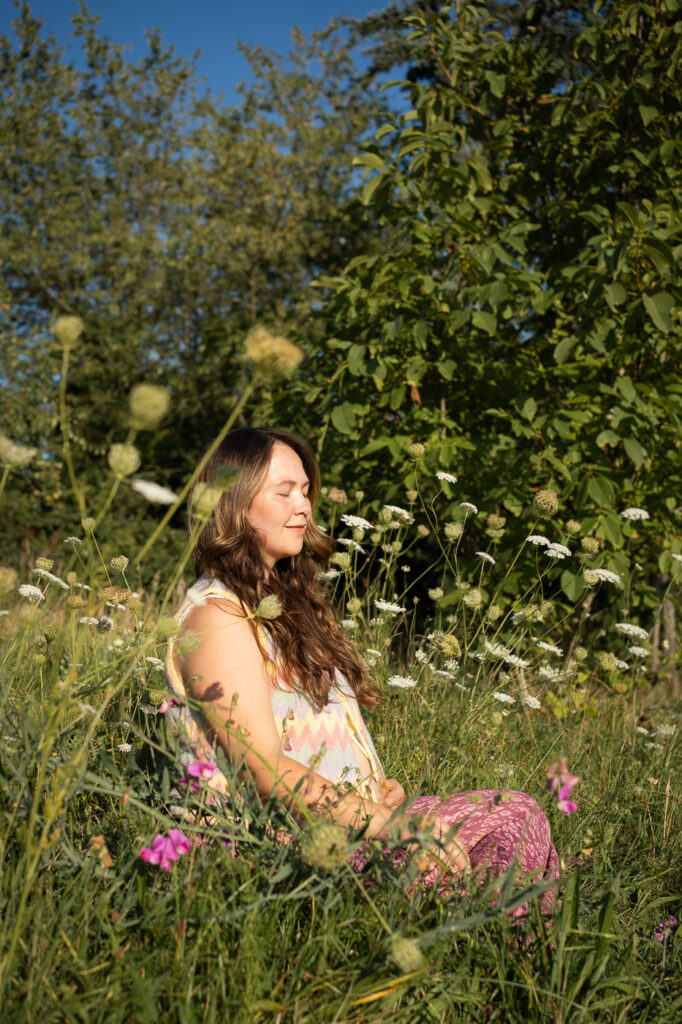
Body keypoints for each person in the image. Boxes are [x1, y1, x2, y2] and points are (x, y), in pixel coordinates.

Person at [164, 427, 560, 915]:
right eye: (284, 491)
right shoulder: (217, 616)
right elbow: (260, 767)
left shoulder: (287, 605)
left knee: (513, 813)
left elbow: (314, 737)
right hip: (278, 845)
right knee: (449, 862)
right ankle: (480, 950)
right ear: (234, 502)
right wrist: (387, 826)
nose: (304, 507)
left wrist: (376, 791)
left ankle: (492, 948)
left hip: (348, 823)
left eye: (306, 491)